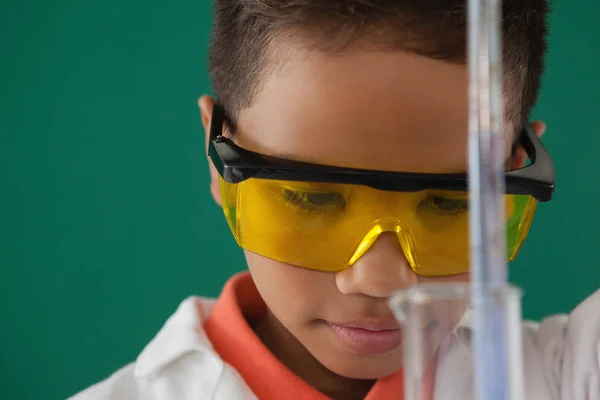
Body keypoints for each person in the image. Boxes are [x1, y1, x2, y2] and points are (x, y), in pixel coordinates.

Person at [71, 1, 600, 399]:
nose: (380, 279)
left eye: (449, 203)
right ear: (217, 160)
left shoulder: (568, 374)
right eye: (311, 197)